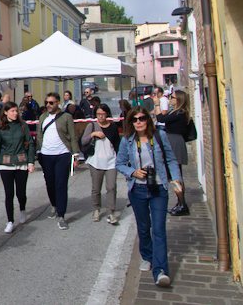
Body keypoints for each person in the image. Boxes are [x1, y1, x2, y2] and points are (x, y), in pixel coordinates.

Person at [116, 106, 183, 288]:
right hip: (137, 189)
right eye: (134, 119)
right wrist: (133, 172)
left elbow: (171, 159)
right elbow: (119, 163)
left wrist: (176, 178)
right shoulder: (127, 141)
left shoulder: (160, 136)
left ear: (148, 119)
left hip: (159, 188)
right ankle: (147, 256)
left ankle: (160, 271)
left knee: (159, 230)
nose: (138, 122)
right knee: (144, 227)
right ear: (131, 122)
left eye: (142, 118)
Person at [37, 92, 80, 230]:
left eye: (51, 103)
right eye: (47, 102)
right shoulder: (43, 117)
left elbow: (73, 136)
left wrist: (76, 155)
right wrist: (39, 150)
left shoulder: (66, 117)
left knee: (60, 184)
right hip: (46, 155)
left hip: (62, 154)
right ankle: (54, 205)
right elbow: (39, 135)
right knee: (50, 183)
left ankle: (61, 215)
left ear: (58, 103)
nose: (48, 105)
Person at [0, 102, 35, 233]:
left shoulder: (22, 125)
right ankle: (10, 221)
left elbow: (30, 144)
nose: (15, 113)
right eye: (12, 111)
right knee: (9, 193)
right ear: (5, 112)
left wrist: (31, 162)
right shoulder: (0, 128)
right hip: (6, 164)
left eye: (16, 111)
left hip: (21, 163)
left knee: (21, 193)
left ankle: (22, 209)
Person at [81, 103, 121, 224]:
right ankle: (96, 209)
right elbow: (83, 141)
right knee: (96, 188)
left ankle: (110, 212)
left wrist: (120, 159)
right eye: (98, 114)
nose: (101, 116)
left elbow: (117, 144)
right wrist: (93, 134)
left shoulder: (113, 127)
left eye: (103, 114)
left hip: (111, 161)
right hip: (96, 161)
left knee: (111, 187)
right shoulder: (92, 126)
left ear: (107, 114)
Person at [155, 90, 191, 216]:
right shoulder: (176, 111)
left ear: (179, 99)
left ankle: (182, 204)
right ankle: (180, 202)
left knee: (176, 174)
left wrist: (157, 105)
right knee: (174, 174)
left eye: (173, 97)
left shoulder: (180, 112)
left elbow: (161, 118)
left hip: (175, 142)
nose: (170, 98)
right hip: (173, 141)